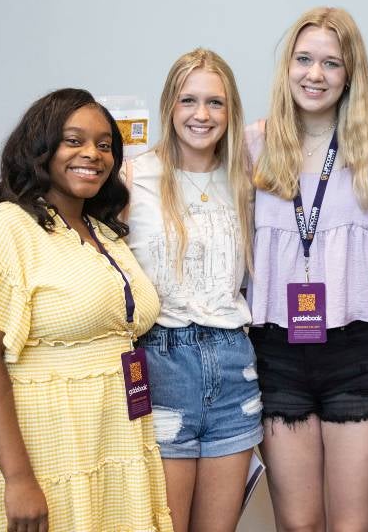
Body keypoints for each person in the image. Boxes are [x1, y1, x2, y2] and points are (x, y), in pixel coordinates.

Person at [0, 89, 172, 531]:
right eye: (73, 140)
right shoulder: (2, 228)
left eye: (104, 145)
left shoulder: (103, 231)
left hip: (111, 438)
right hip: (43, 452)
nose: (92, 154)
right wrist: (18, 479)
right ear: (40, 148)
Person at [246, 6, 368, 531]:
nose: (315, 75)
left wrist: (347, 277)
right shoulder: (251, 144)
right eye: (304, 59)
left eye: (331, 64)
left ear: (350, 73)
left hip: (358, 352)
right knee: (298, 526)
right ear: (287, 65)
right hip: (274, 352)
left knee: (353, 526)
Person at [124, 49, 262, 532]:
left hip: (233, 364)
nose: (201, 115)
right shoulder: (133, 177)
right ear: (169, 106)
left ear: (231, 111)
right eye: (189, 100)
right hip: (161, 363)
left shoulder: (246, 180)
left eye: (215, 103)